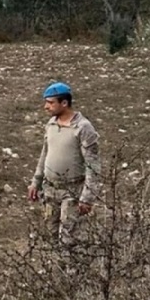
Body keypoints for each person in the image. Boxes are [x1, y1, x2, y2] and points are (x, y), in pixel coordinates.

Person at [28, 82, 102, 245]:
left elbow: (93, 165)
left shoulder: (83, 128)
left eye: (50, 102)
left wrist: (87, 197)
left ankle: (71, 270)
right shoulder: (51, 124)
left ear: (64, 103)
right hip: (50, 190)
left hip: (72, 191)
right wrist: (36, 182)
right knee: (49, 234)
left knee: (69, 238)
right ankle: (54, 269)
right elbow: (45, 154)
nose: (46, 107)